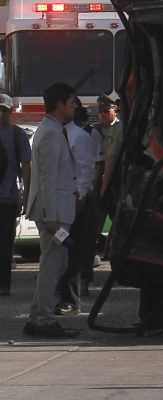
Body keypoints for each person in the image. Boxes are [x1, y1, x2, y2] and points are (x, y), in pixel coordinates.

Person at [23, 83, 79, 338]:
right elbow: (47, 178)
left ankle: (37, 317)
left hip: (54, 212)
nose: (76, 106)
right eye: (72, 102)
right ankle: (44, 320)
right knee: (52, 265)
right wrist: (52, 218)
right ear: (60, 104)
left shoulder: (51, 131)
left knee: (55, 263)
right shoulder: (51, 134)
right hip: (53, 214)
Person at [55, 97, 95, 315]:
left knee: (72, 249)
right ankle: (60, 295)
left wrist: (80, 196)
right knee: (59, 247)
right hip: (59, 202)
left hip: (74, 201)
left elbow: (86, 169)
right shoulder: (54, 133)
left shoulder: (78, 136)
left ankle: (70, 300)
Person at [0, 94, 31, 295]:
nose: (0, 113)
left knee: (5, 243)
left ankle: (4, 284)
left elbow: (26, 168)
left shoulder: (18, 135)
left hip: (8, 199)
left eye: (4, 110)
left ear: (11, 111)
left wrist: (25, 197)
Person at [97, 94, 122, 196]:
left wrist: (104, 188)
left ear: (115, 112)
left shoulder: (115, 129)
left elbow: (110, 160)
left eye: (106, 111)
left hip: (117, 178)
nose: (102, 114)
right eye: (100, 111)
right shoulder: (101, 129)